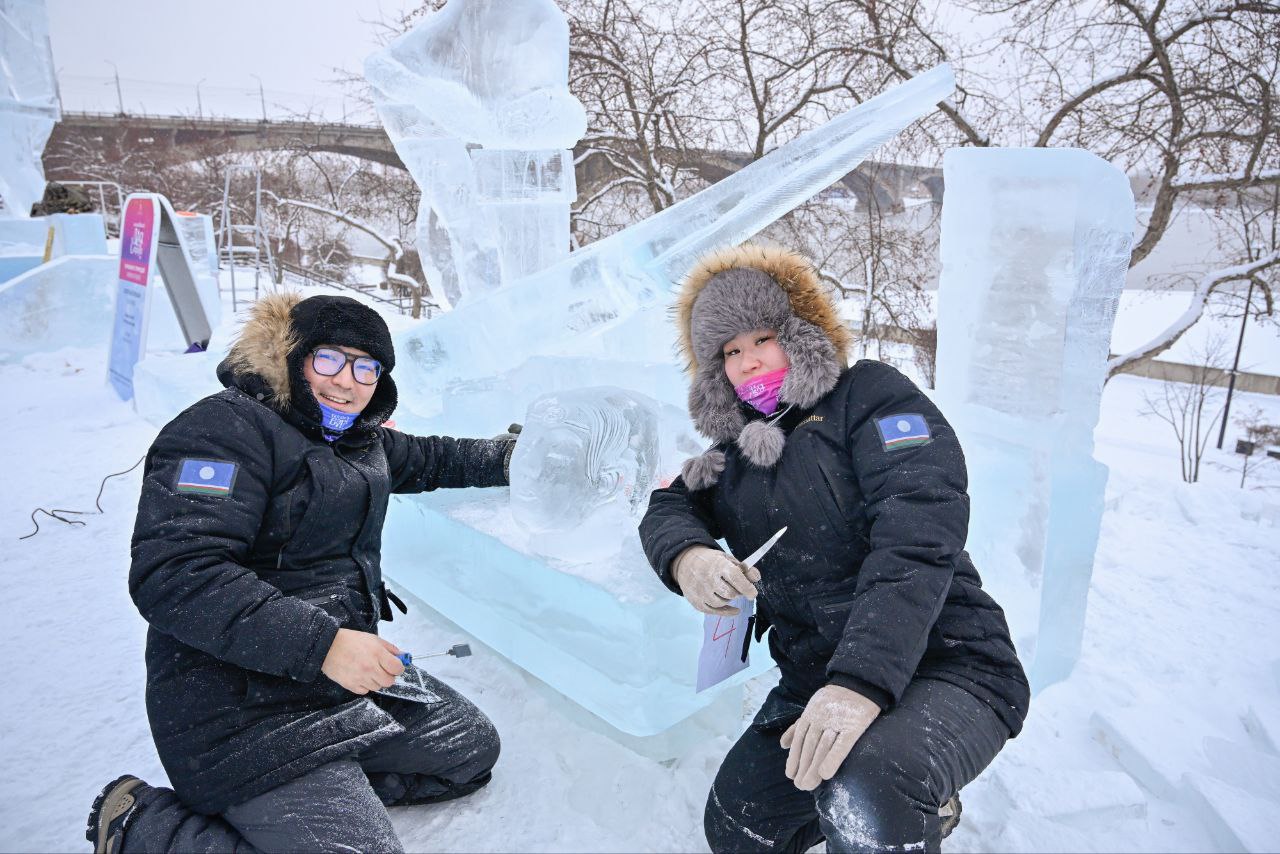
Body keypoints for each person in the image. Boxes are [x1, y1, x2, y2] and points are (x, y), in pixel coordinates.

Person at [86, 294, 516, 853]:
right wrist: (325, 645)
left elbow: (434, 458)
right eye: (330, 359)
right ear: (291, 355)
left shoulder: (358, 439)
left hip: (331, 680)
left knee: (470, 751)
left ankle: (323, 793)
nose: (347, 381)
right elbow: (177, 574)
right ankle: (144, 825)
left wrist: (513, 456)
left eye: (366, 368)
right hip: (237, 705)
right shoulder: (222, 430)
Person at [640, 244, 1031, 853]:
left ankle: (915, 800)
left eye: (761, 338)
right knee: (738, 829)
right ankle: (894, 801)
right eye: (730, 352)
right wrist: (689, 555)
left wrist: (859, 682)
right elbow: (667, 505)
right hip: (814, 682)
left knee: (869, 790)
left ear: (799, 333)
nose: (747, 360)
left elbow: (917, 533)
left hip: (945, 663)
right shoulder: (732, 456)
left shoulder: (871, 398)